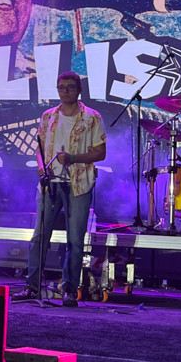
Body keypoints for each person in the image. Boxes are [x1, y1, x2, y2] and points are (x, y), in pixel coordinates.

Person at [21, 71, 106, 307]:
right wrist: (41, 168)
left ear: (79, 90)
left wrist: (73, 158)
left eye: (70, 87)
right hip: (50, 183)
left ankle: (69, 289)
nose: (65, 91)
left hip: (78, 184)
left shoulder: (92, 117)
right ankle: (32, 287)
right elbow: (39, 148)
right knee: (40, 236)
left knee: (75, 241)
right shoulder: (48, 116)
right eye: (61, 87)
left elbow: (101, 152)